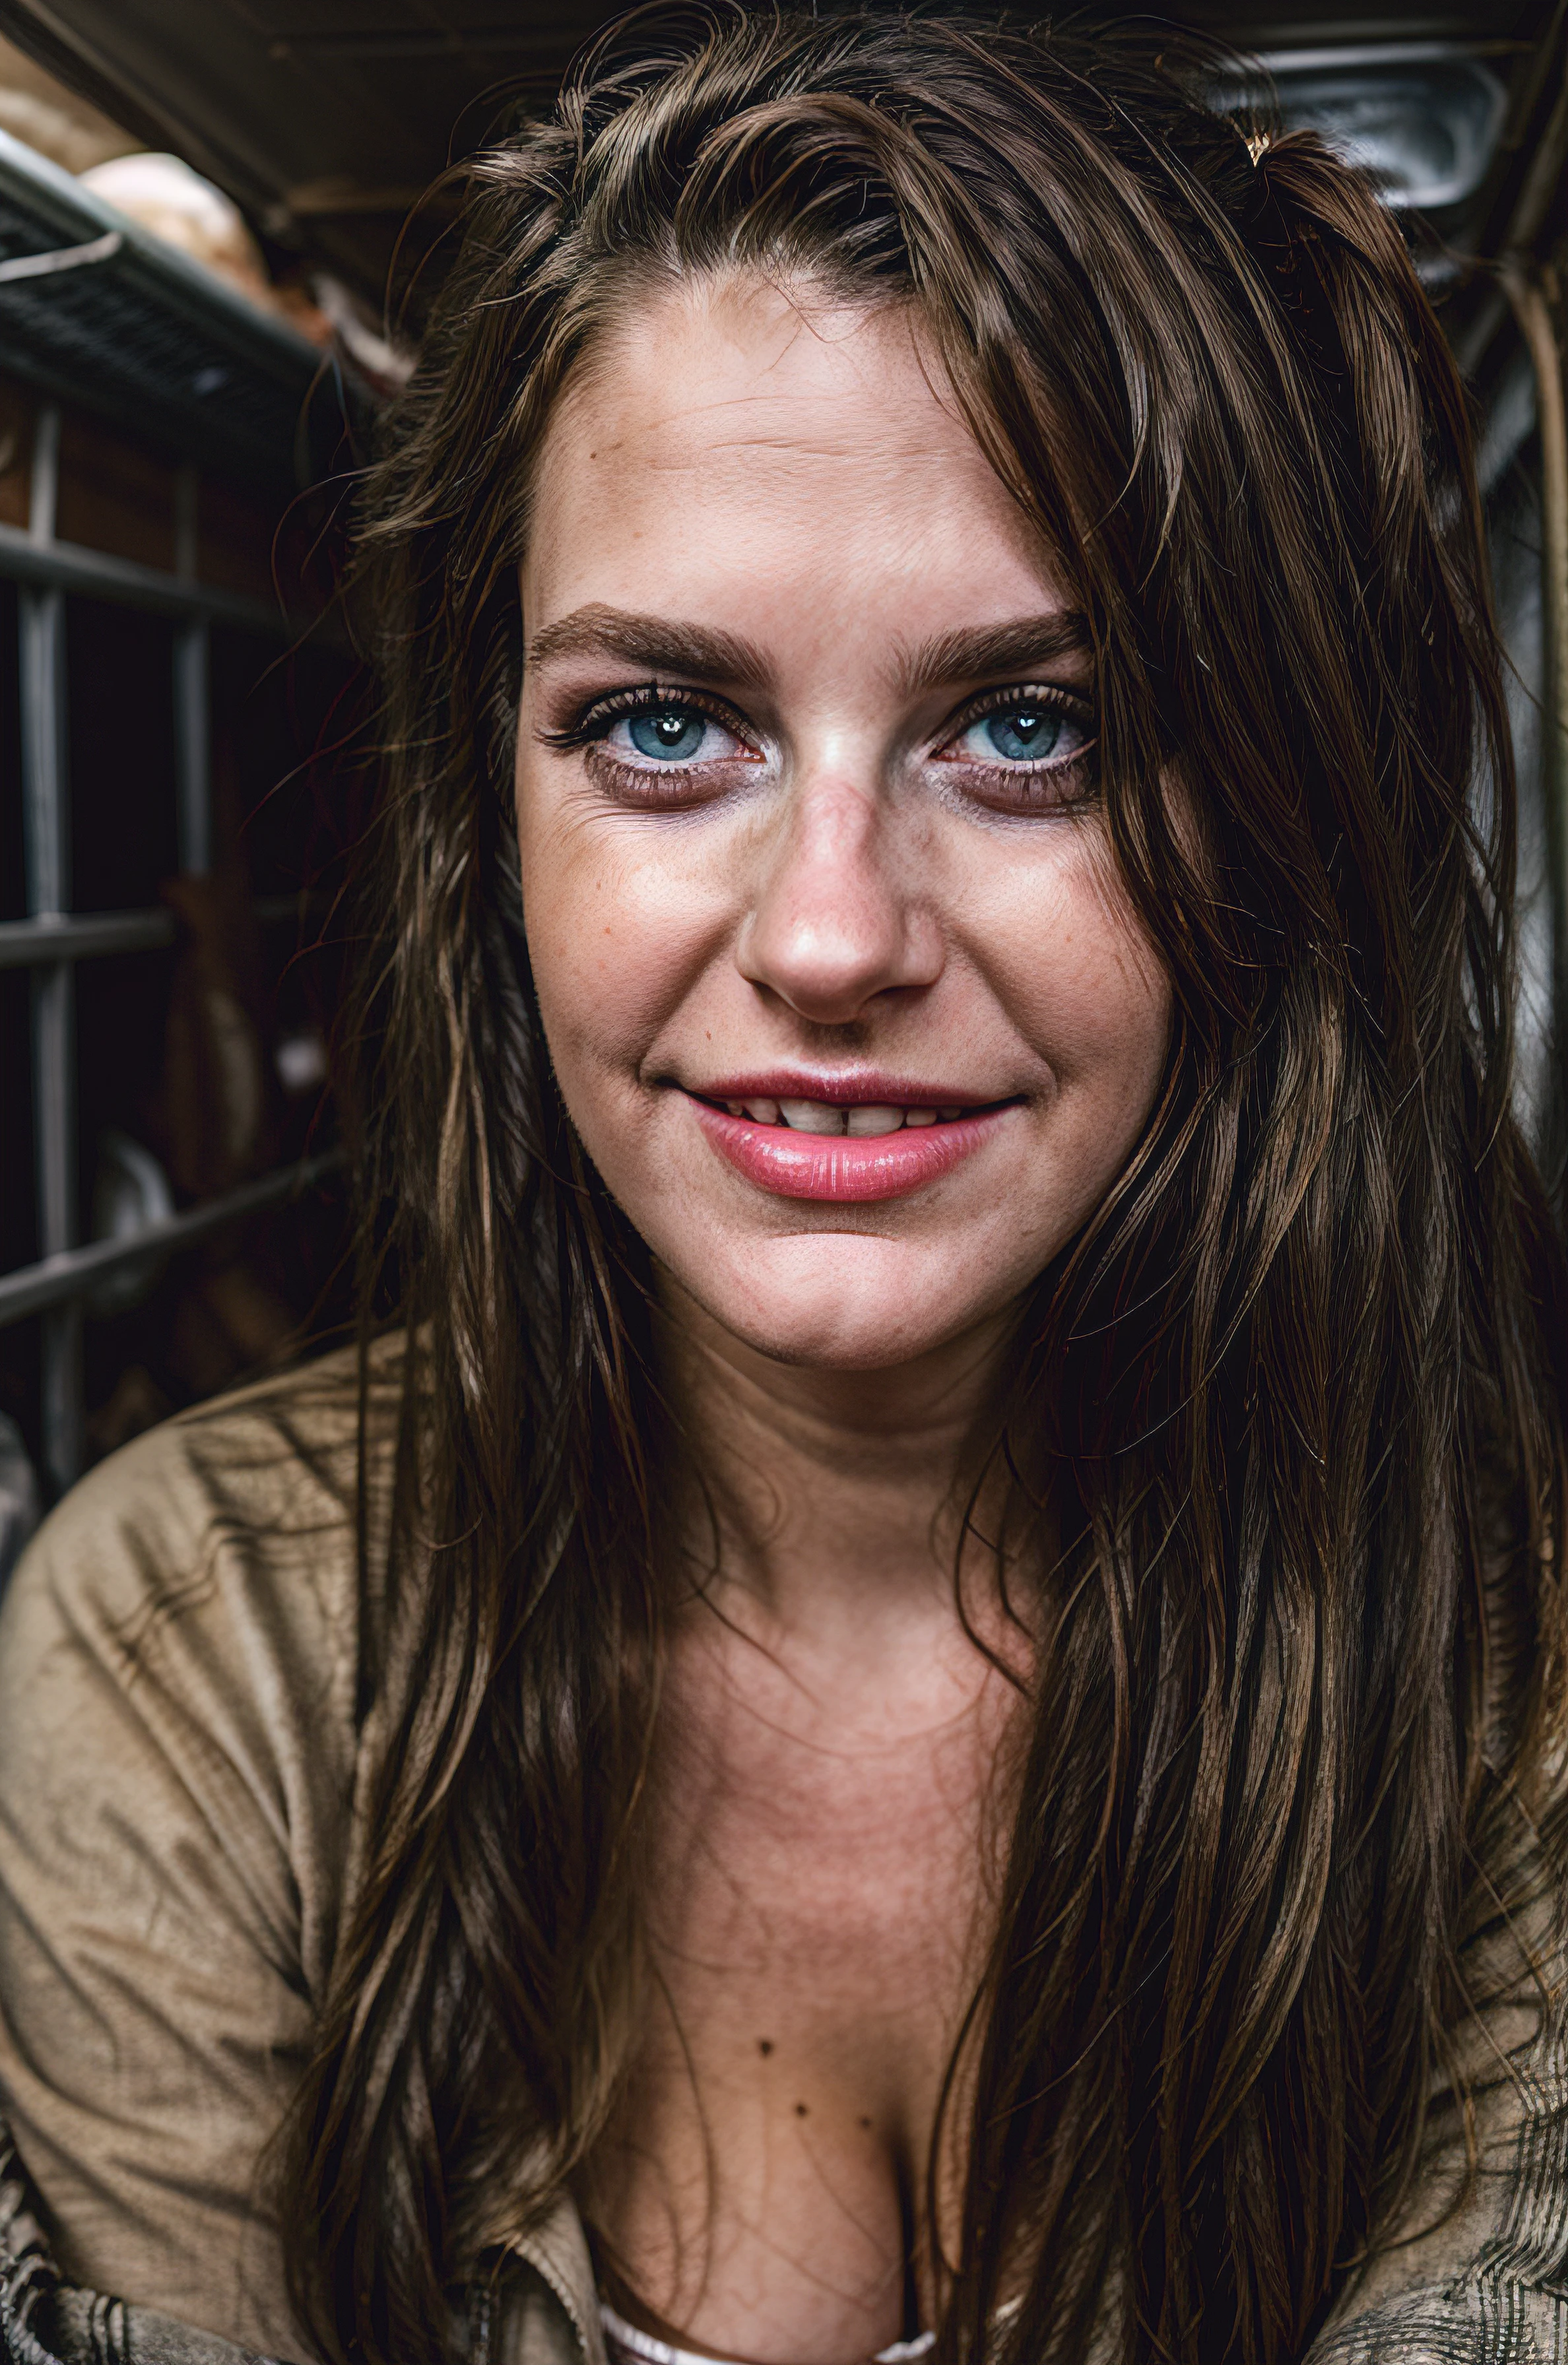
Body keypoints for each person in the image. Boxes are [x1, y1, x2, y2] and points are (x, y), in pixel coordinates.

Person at [2, 11, 1565, 2364]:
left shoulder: (1494, 1701)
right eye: (665, 726)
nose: (833, 938)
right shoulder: (188, 1659)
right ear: (492, 821)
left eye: (1034, 727)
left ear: (1265, 814)